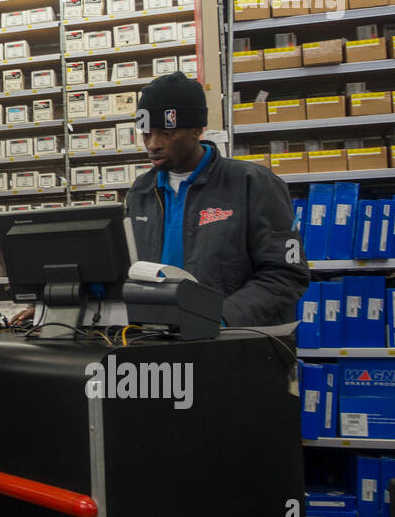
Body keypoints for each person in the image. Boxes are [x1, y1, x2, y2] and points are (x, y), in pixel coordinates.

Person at [125, 72, 309, 327]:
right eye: (146, 134)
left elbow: (286, 274)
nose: (153, 144)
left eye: (167, 133)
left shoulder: (252, 183)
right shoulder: (140, 192)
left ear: (197, 129)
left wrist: (221, 316)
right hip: (160, 339)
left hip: (231, 345)